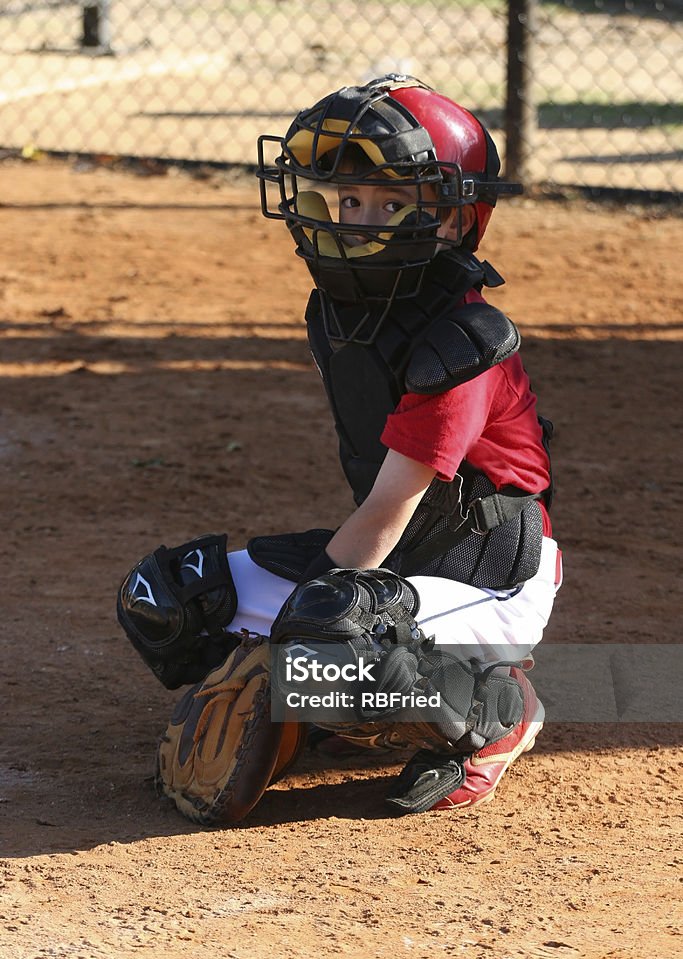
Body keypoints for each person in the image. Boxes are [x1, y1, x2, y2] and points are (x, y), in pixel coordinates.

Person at [118, 75, 562, 821]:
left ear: (453, 220)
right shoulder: (339, 311)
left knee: (331, 643)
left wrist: (307, 630)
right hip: (403, 555)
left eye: (390, 206)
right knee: (171, 599)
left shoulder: (463, 344)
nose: (357, 222)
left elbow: (389, 506)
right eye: (346, 201)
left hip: (488, 574)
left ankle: (497, 711)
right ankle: (312, 707)